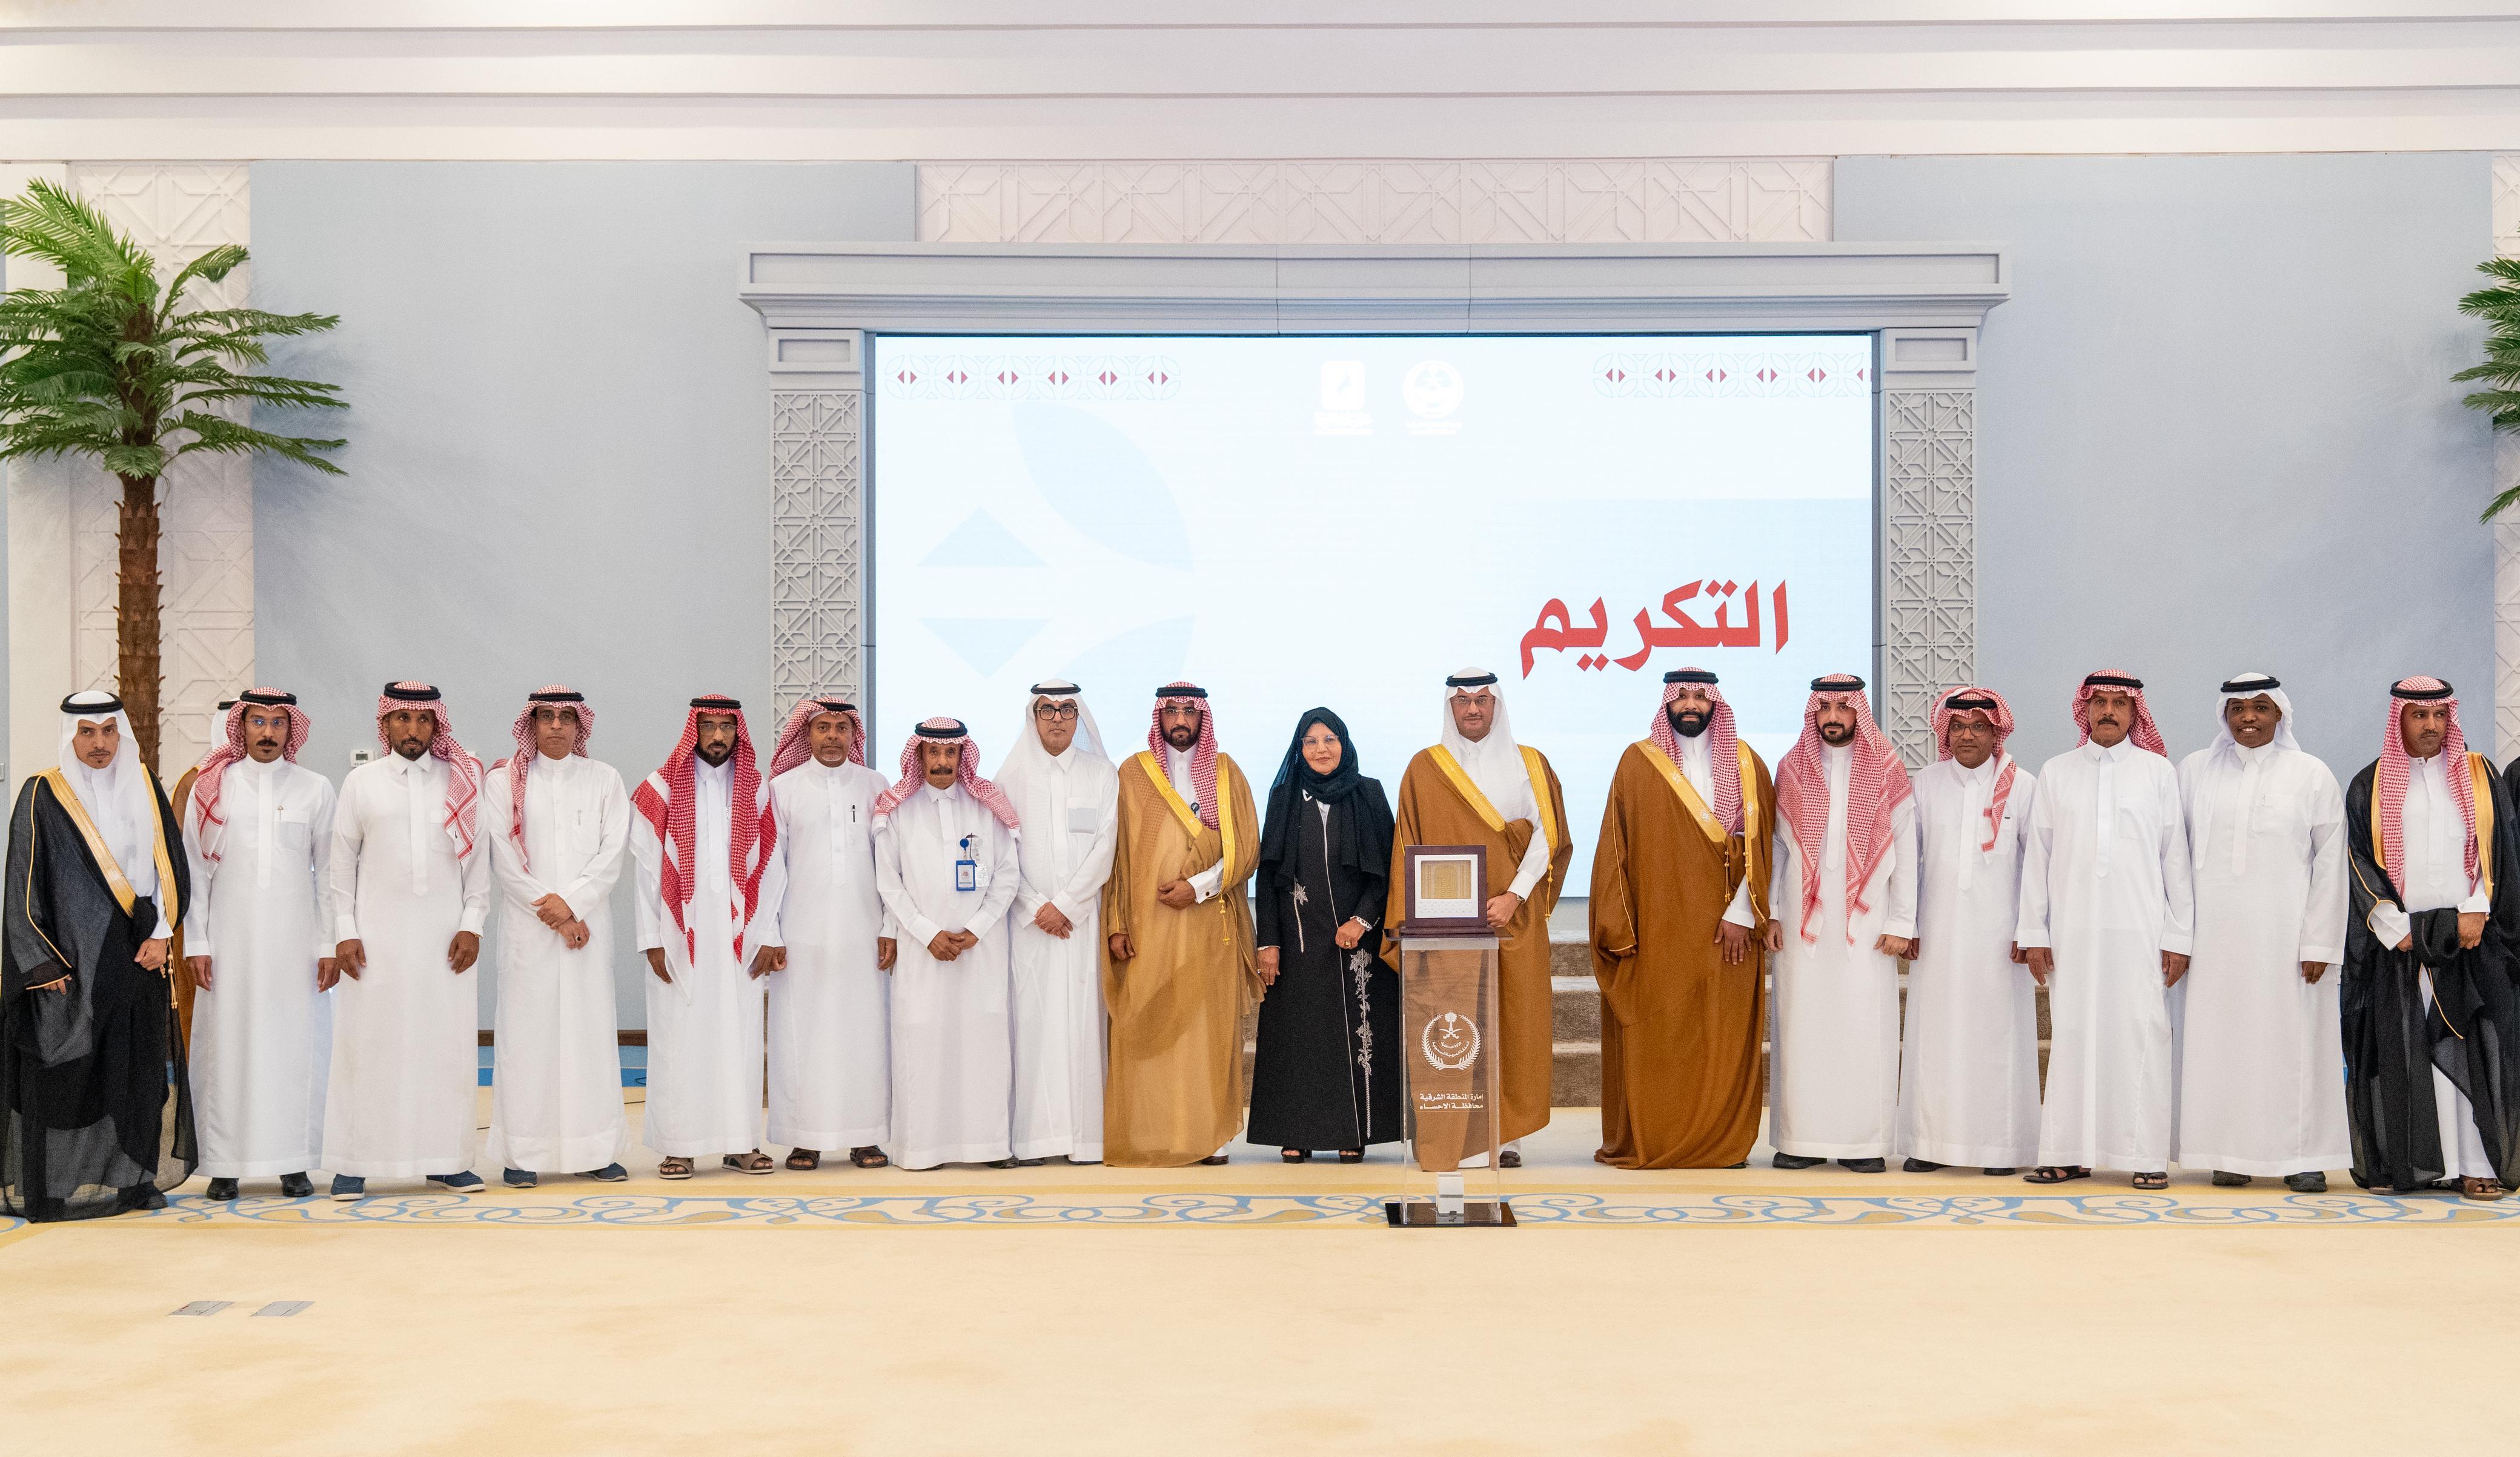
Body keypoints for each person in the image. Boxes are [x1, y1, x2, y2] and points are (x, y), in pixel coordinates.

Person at [1, 692, 194, 1220]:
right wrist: (40, 961)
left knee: (137, 1071)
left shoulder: (145, 784)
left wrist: (163, 935)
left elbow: (170, 865)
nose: (100, 743)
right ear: (71, 736)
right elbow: (22, 880)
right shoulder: (43, 792)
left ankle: (135, 1183)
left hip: (138, 954)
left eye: (109, 731)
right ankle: (54, 1186)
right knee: (65, 1072)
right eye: (87, 733)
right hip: (69, 961)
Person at [1589, 669, 1776, 1169]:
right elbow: (1614, 850)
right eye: (1681, 697)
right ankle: (1660, 1139)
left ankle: (1721, 1143)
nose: (1690, 705)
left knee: (1723, 1037)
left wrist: (1743, 913)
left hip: (1730, 933)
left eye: (1700, 696)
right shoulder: (1637, 763)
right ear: (1667, 703)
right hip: (1660, 930)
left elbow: (1762, 846)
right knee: (1664, 1036)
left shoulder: (1747, 763)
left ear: (1715, 703)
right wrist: (1619, 928)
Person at [2016, 670, 2193, 1191]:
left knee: (2142, 1034)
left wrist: (2179, 936)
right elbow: (2038, 859)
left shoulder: (2158, 772)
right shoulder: (2057, 772)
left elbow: (2175, 861)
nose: (2109, 711)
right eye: (2100, 702)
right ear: (2085, 710)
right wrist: (2034, 933)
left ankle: (2145, 1155)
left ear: (2136, 712)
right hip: (2073, 931)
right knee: (2073, 1034)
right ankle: (2067, 1153)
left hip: (2142, 931)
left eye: (2120, 702)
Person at [2344, 676, 2520, 1199]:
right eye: (2419, 715)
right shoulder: (2370, 784)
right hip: (2402, 942)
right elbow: (2358, 861)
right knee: (2406, 1051)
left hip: (2470, 938)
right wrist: (2395, 928)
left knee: (2475, 1047)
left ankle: (2476, 1164)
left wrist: (2476, 911)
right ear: (2398, 719)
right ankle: (2416, 1166)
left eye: (2440, 715)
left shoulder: (2481, 776)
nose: (2431, 725)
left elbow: (2502, 850)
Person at [1387, 669, 1570, 1167]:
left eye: (1483, 700)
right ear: (1450, 707)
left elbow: (1548, 836)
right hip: (1445, 931)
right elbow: (1407, 847)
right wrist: (1418, 921)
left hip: (1512, 921)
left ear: (1497, 705)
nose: (1473, 709)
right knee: (1452, 1026)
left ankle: (1505, 1138)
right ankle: (1448, 1136)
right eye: (1463, 700)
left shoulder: (1530, 764)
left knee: (1513, 1024)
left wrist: (1514, 895)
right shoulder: (1424, 768)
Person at [2175, 674, 2348, 1192]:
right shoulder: (2194, 771)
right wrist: (2178, 935)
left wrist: (2320, 941)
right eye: (2238, 709)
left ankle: (2302, 1156)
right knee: (2220, 1045)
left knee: (2293, 1048)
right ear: (2224, 716)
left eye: (2261, 707)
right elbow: (2174, 858)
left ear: (2281, 715)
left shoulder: (2311, 774)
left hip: (2287, 943)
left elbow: (2331, 863)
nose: (2248, 717)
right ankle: (2229, 1152)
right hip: (2212, 943)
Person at [323, 682, 491, 1199]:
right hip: (375, 941)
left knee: (445, 1048)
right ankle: (355, 1163)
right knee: (368, 1046)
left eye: (423, 720)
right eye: (402, 719)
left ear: (437, 725)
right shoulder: (362, 782)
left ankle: (447, 1160)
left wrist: (472, 924)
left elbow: (478, 863)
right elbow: (340, 865)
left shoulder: (462, 780)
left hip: (446, 942)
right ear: (386, 724)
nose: (413, 729)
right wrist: (345, 932)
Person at [180, 689, 334, 1201]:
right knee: (227, 1048)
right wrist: (196, 941)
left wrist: (329, 944)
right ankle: (224, 1165)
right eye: (258, 722)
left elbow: (329, 873)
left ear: (292, 730)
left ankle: (293, 1162)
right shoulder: (212, 788)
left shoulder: (315, 789)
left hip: (296, 945)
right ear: (240, 727)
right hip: (228, 943)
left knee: (294, 1048)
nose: (268, 733)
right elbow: (194, 872)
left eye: (278, 723)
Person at [1763, 675, 1917, 1174]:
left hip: (1868, 922)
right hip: (1801, 918)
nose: (1832, 717)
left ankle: (1863, 1143)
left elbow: (1906, 849)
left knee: (1864, 1025)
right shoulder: (1792, 767)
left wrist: (1903, 920)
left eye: (1842, 708)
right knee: (1801, 1025)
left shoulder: (1887, 768)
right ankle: (1800, 1140)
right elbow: (1779, 846)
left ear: (1858, 713)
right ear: (1814, 713)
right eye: (1824, 708)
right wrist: (1773, 911)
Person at [1103, 683, 1261, 1168]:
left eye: (1189, 711)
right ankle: (1151, 1134)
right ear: (1159, 716)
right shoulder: (1132, 773)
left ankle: (1209, 1138)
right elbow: (1117, 857)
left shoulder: (1226, 772)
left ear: (1202, 718)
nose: (1180, 720)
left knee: (1205, 1032)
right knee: (1150, 1024)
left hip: (1209, 925)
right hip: (1148, 927)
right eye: (1171, 710)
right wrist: (1116, 923)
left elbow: (1245, 849)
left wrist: (1199, 886)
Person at [481, 686, 631, 1188]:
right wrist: (558, 912)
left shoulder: (605, 779)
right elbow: (503, 857)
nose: (556, 726)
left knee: (589, 1036)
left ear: (579, 725)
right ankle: (523, 1154)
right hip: (531, 931)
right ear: (532, 724)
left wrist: (575, 904)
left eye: (567, 717)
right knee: (527, 1040)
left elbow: (613, 852)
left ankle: (594, 1149)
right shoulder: (503, 782)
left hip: (588, 931)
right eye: (546, 716)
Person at [631, 696, 783, 1180]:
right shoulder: (659, 788)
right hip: (678, 937)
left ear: (739, 732)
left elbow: (772, 869)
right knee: (679, 1039)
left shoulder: (757, 790)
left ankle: (741, 1144)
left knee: (740, 1040)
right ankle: (679, 1147)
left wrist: (770, 934)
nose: (718, 736)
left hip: (743, 938)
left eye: (727, 727)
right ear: (693, 730)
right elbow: (646, 871)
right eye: (710, 726)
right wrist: (651, 937)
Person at [1897, 687, 2041, 1176]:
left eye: (1979, 727)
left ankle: (2000, 1149)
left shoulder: (2023, 786)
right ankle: (1930, 1144)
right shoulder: (1926, 783)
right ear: (1946, 732)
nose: (1967, 736)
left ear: (1996, 733)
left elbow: (2037, 864)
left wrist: (2030, 928)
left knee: (1997, 1039)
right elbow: (1910, 858)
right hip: (1938, 933)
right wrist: (1908, 922)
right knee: (1935, 1037)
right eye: (1958, 727)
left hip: (2001, 939)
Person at [870, 718, 1023, 1171]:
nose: (942, 762)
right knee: (923, 1042)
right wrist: (926, 933)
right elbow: (888, 882)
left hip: (982, 950)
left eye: (951, 753)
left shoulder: (987, 807)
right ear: (919, 756)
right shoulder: (897, 810)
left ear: (962, 756)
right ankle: (923, 1149)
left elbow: (1008, 874)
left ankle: (988, 1146)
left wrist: (977, 927)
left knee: (983, 1044)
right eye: (933, 753)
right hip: (922, 951)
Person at [1248, 708, 1399, 1163]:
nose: (1321, 749)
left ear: (1344, 744)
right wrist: (1268, 942)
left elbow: (1389, 868)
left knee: (1354, 1037)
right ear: (1299, 749)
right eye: (1311, 741)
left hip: (1357, 943)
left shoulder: (1369, 793)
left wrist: (1363, 920)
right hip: (1296, 943)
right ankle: (1296, 1131)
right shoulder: (1284, 797)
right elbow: (1269, 875)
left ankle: (1353, 1131)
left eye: (1330, 739)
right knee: (1300, 1037)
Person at [756, 696, 894, 1171]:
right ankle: (805, 1138)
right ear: (807, 734)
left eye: (841, 728)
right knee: (802, 1033)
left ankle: (865, 1136)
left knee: (865, 1033)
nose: (832, 736)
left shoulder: (876, 785)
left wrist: (891, 926)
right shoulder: (783, 788)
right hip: (801, 932)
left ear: (853, 735)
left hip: (864, 932)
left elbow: (890, 864)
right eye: (823, 728)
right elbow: (770, 867)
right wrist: (771, 932)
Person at [993, 681, 1118, 1166]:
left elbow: (1106, 845)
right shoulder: (1009, 779)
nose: (1058, 719)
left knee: (1084, 1024)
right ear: (1034, 716)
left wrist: (1066, 904)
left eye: (1067, 709)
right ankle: (1034, 1139)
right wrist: (1035, 907)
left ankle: (1086, 1139)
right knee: (1033, 1025)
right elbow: (1001, 853)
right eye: (1047, 710)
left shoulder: (1101, 773)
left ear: (1078, 716)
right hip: (1029, 927)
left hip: (1081, 923)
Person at [169, 695, 238, 1049]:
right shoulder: (195, 782)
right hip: (199, 912)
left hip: (246, 914)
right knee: (201, 1004)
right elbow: (184, 859)